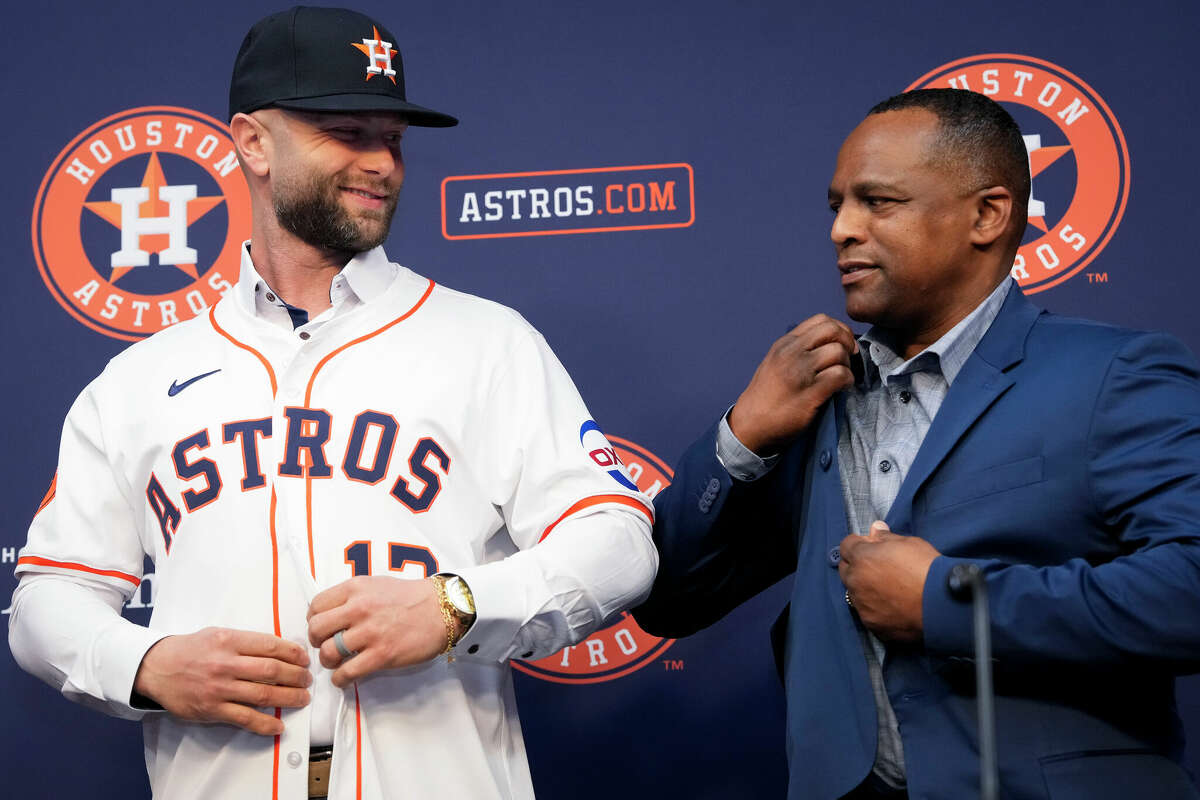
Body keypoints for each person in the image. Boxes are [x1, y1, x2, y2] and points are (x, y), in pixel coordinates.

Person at [9, 7, 657, 799]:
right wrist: (145, 664)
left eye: (394, 138)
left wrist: (457, 605)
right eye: (348, 132)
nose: (381, 161)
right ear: (252, 141)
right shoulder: (140, 378)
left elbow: (618, 541)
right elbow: (49, 598)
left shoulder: (487, 341)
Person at [633, 88, 1200, 800]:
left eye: (879, 202)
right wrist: (742, 433)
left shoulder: (1113, 375)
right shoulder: (816, 400)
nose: (842, 229)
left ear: (988, 215)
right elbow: (667, 599)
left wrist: (950, 603)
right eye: (837, 205)